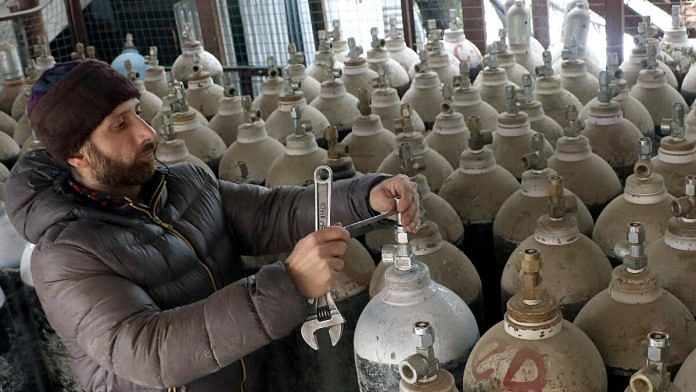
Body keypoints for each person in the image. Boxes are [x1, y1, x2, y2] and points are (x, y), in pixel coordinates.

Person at [4, 59, 420, 391]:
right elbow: (149, 350)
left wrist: (367, 194)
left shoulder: (185, 182)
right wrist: (289, 283)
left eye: (138, 114)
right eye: (120, 125)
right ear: (76, 155)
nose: (146, 133)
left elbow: (271, 212)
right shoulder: (65, 256)